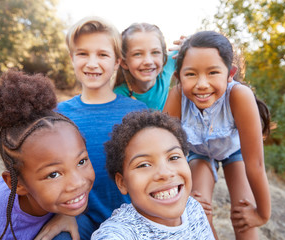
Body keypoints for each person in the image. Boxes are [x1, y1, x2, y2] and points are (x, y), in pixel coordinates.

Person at [36, 16, 148, 240]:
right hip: (79, 215)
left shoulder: (139, 112)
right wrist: (66, 213)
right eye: (83, 54)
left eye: (102, 54)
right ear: (72, 58)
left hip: (131, 217)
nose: (92, 63)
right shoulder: (57, 115)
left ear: (117, 61)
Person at [163, 31, 271, 239]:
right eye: (191, 74)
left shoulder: (239, 96)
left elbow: (255, 164)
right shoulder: (177, 97)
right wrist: (184, 195)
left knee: (243, 212)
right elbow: (167, 154)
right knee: (197, 207)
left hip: (234, 151)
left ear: (230, 73)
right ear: (178, 76)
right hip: (199, 152)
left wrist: (262, 214)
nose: (202, 84)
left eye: (213, 72)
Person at [0, 70, 95, 240]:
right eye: (54, 174)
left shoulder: (55, 194)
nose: (78, 182)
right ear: (18, 184)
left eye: (81, 162)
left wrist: (68, 214)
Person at [91, 110, 215, 239]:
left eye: (173, 157)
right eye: (144, 165)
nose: (165, 173)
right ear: (122, 182)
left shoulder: (194, 208)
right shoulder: (118, 234)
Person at [113, 22, 178, 111]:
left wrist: (189, 43)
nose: (148, 61)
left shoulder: (166, 67)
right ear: (124, 63)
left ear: (163, 57)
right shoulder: (119, 96)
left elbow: (198, 47)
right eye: (138, 54)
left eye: (155, 52)